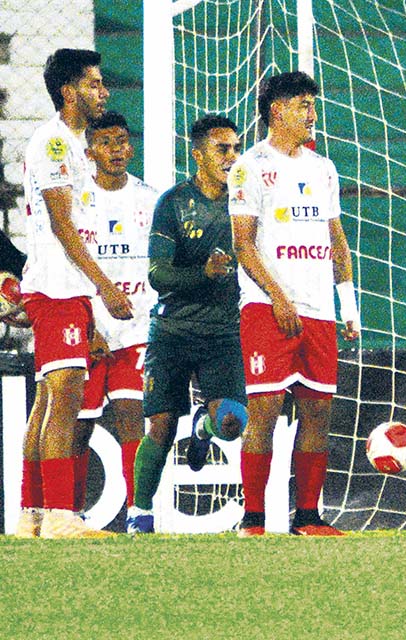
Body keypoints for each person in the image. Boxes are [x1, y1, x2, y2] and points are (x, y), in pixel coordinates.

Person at [231, 71, 360, 537]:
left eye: (312, 104)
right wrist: (277, 295)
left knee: (317, 412)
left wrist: (347, 302)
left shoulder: (322, 167)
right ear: (276, 109)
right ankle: (253, 518)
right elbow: (243, 245)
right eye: (303, 104)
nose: (312, 114)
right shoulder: (249, 166)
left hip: (319, 310)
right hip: (267, 308)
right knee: (264, 409)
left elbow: (336, 239)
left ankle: (307, 516)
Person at [17, 48, 120, 539]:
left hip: (62, 290)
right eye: (94, 84)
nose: (104, 92)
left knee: (46, 402)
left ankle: (32, 514)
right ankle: (60, 514)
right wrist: (106, 287)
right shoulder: (55, 143)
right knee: (64, 402)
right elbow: (62, 226)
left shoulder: (73, 145)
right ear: (69, 92)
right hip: (58, 290)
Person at [128, 114, 248, 534]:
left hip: (223, 331)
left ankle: (205, 427)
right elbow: (157, 275)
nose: (232, 157)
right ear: (197, 155)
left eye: (235, 148)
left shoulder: (247, 200)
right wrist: (204, 274)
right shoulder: (174, 203)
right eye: (222, 149)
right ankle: (139, 514)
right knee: (160, 426)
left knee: (231, 424)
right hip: (173, 330)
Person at [68, 112, 159, 522]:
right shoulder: (74, 201)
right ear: (89, 153)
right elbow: (65, 268)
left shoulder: (150, 199)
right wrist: (87, 327)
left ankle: (139, 513)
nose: (116, 149)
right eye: (105, 142)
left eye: (122, 140)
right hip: (86, 328)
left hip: (135, 330)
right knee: (78, 428)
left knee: (131, 420)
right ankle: (67, 514)